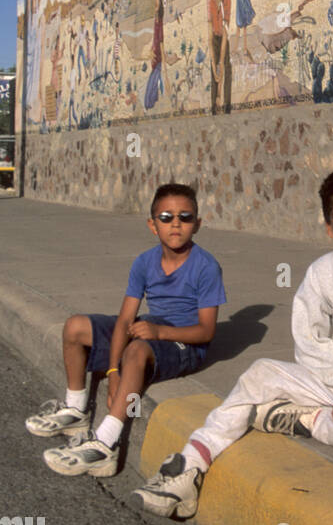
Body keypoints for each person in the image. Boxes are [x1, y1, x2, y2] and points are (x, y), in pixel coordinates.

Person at [131, 161, 333, 520]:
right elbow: (309, 342)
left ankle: (303, 420)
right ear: (329, 228)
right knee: (260, 374)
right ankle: (190, 463)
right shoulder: (322, 271)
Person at [26, 183, 226, 478]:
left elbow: (206, 332)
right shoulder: (144, 262)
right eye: (166, 217)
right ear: (152, 225)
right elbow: (124, 320)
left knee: (136, 350)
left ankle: (105, 444)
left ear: (197, 224)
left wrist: (159, 333)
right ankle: (76, 410)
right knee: (75, 327)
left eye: (184, 217)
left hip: (183, 342)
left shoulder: (206, 266)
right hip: (149, 328)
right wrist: (113, 373)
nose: (175, 225)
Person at [208, 0, 231, 114]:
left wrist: (221, 61)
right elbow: (210, 39)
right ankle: (214, 105)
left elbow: (224, 35)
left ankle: (225, 104)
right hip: (214, 36)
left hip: (223, 37)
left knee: (225, 68)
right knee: (214, 72)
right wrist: (213, 62)